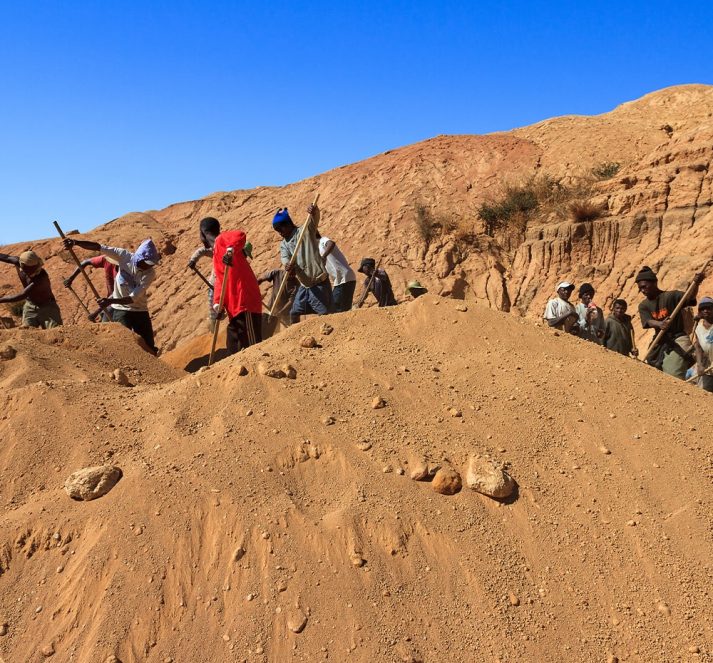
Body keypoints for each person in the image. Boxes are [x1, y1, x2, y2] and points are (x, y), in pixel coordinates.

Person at [63, 237, 160, 354]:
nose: (149, 266)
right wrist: (76, 242)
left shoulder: (150, 273)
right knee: (123, 342)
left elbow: (133, 298)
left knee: (149, 345)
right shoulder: (124, 256)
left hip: (140, 309)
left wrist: (109, 302)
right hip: (121, 309)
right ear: (139, 258)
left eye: (152, 263)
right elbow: (98, 247)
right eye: (147, 263)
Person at [636, 265, 703, 379]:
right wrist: (659, 324)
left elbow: (689, 297)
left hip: (677, 339)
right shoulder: (644, 305)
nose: (642, 290)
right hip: (660, 341)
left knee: (673, 375)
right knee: (653, 371)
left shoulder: (671, 296)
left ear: (654, 283)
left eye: (644, 286)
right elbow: (647, 321)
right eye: (640, 288)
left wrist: (696, 283)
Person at [272, 203, 332, 323]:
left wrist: (314, 210)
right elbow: (285, 258)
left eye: (280, 228)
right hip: (305, 285)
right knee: (294, 313)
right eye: (277, 230)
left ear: (288, 224)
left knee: (325, 314)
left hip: (318, 282)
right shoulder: (284, 244)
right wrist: (288, 265)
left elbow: (314, 219)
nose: (280, 232)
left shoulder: (304, 230)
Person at [212, 229, 263, 355]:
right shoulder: (221, 242)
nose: (245, 257)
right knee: (233, 347)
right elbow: (220, 279)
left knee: (252, 346)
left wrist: (230, 252)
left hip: (245, 304)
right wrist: (218, 304)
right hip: (235, 308)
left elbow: (241, 235)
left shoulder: (233, 257)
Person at [0, 250, 63, 328]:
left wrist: (1, 300)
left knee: (56, 332)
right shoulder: (17, 261)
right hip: (30, 305)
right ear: (22, 265)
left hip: (47, 307)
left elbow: (22, 295)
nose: (33, 272)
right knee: (26, 334)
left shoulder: (41, 276)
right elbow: (5, 257)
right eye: (29, 270)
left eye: (34, 268)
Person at [64, 255, 118, 321]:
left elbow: (116, 294)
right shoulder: (107, 259)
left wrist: (96, 312)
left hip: (123, 302)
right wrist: (71, 278)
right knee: (105, 314)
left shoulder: (125, 271)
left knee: (108, 316)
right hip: (110, 302)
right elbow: (86, 262)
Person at [317, 232, 357, 312]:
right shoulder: (317, 248)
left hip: (344, 278)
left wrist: (324, 256)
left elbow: (331, 243)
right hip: (342, 280)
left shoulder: (322, 240)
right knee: (342, 310)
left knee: (335, 308)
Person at [693, 296, 713, 392]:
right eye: (703, 309)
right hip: (708, 366)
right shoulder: (698, 329)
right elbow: (698, 347)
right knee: (703, 393)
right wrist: (699, 365)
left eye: (709, 308)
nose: (706, 311)